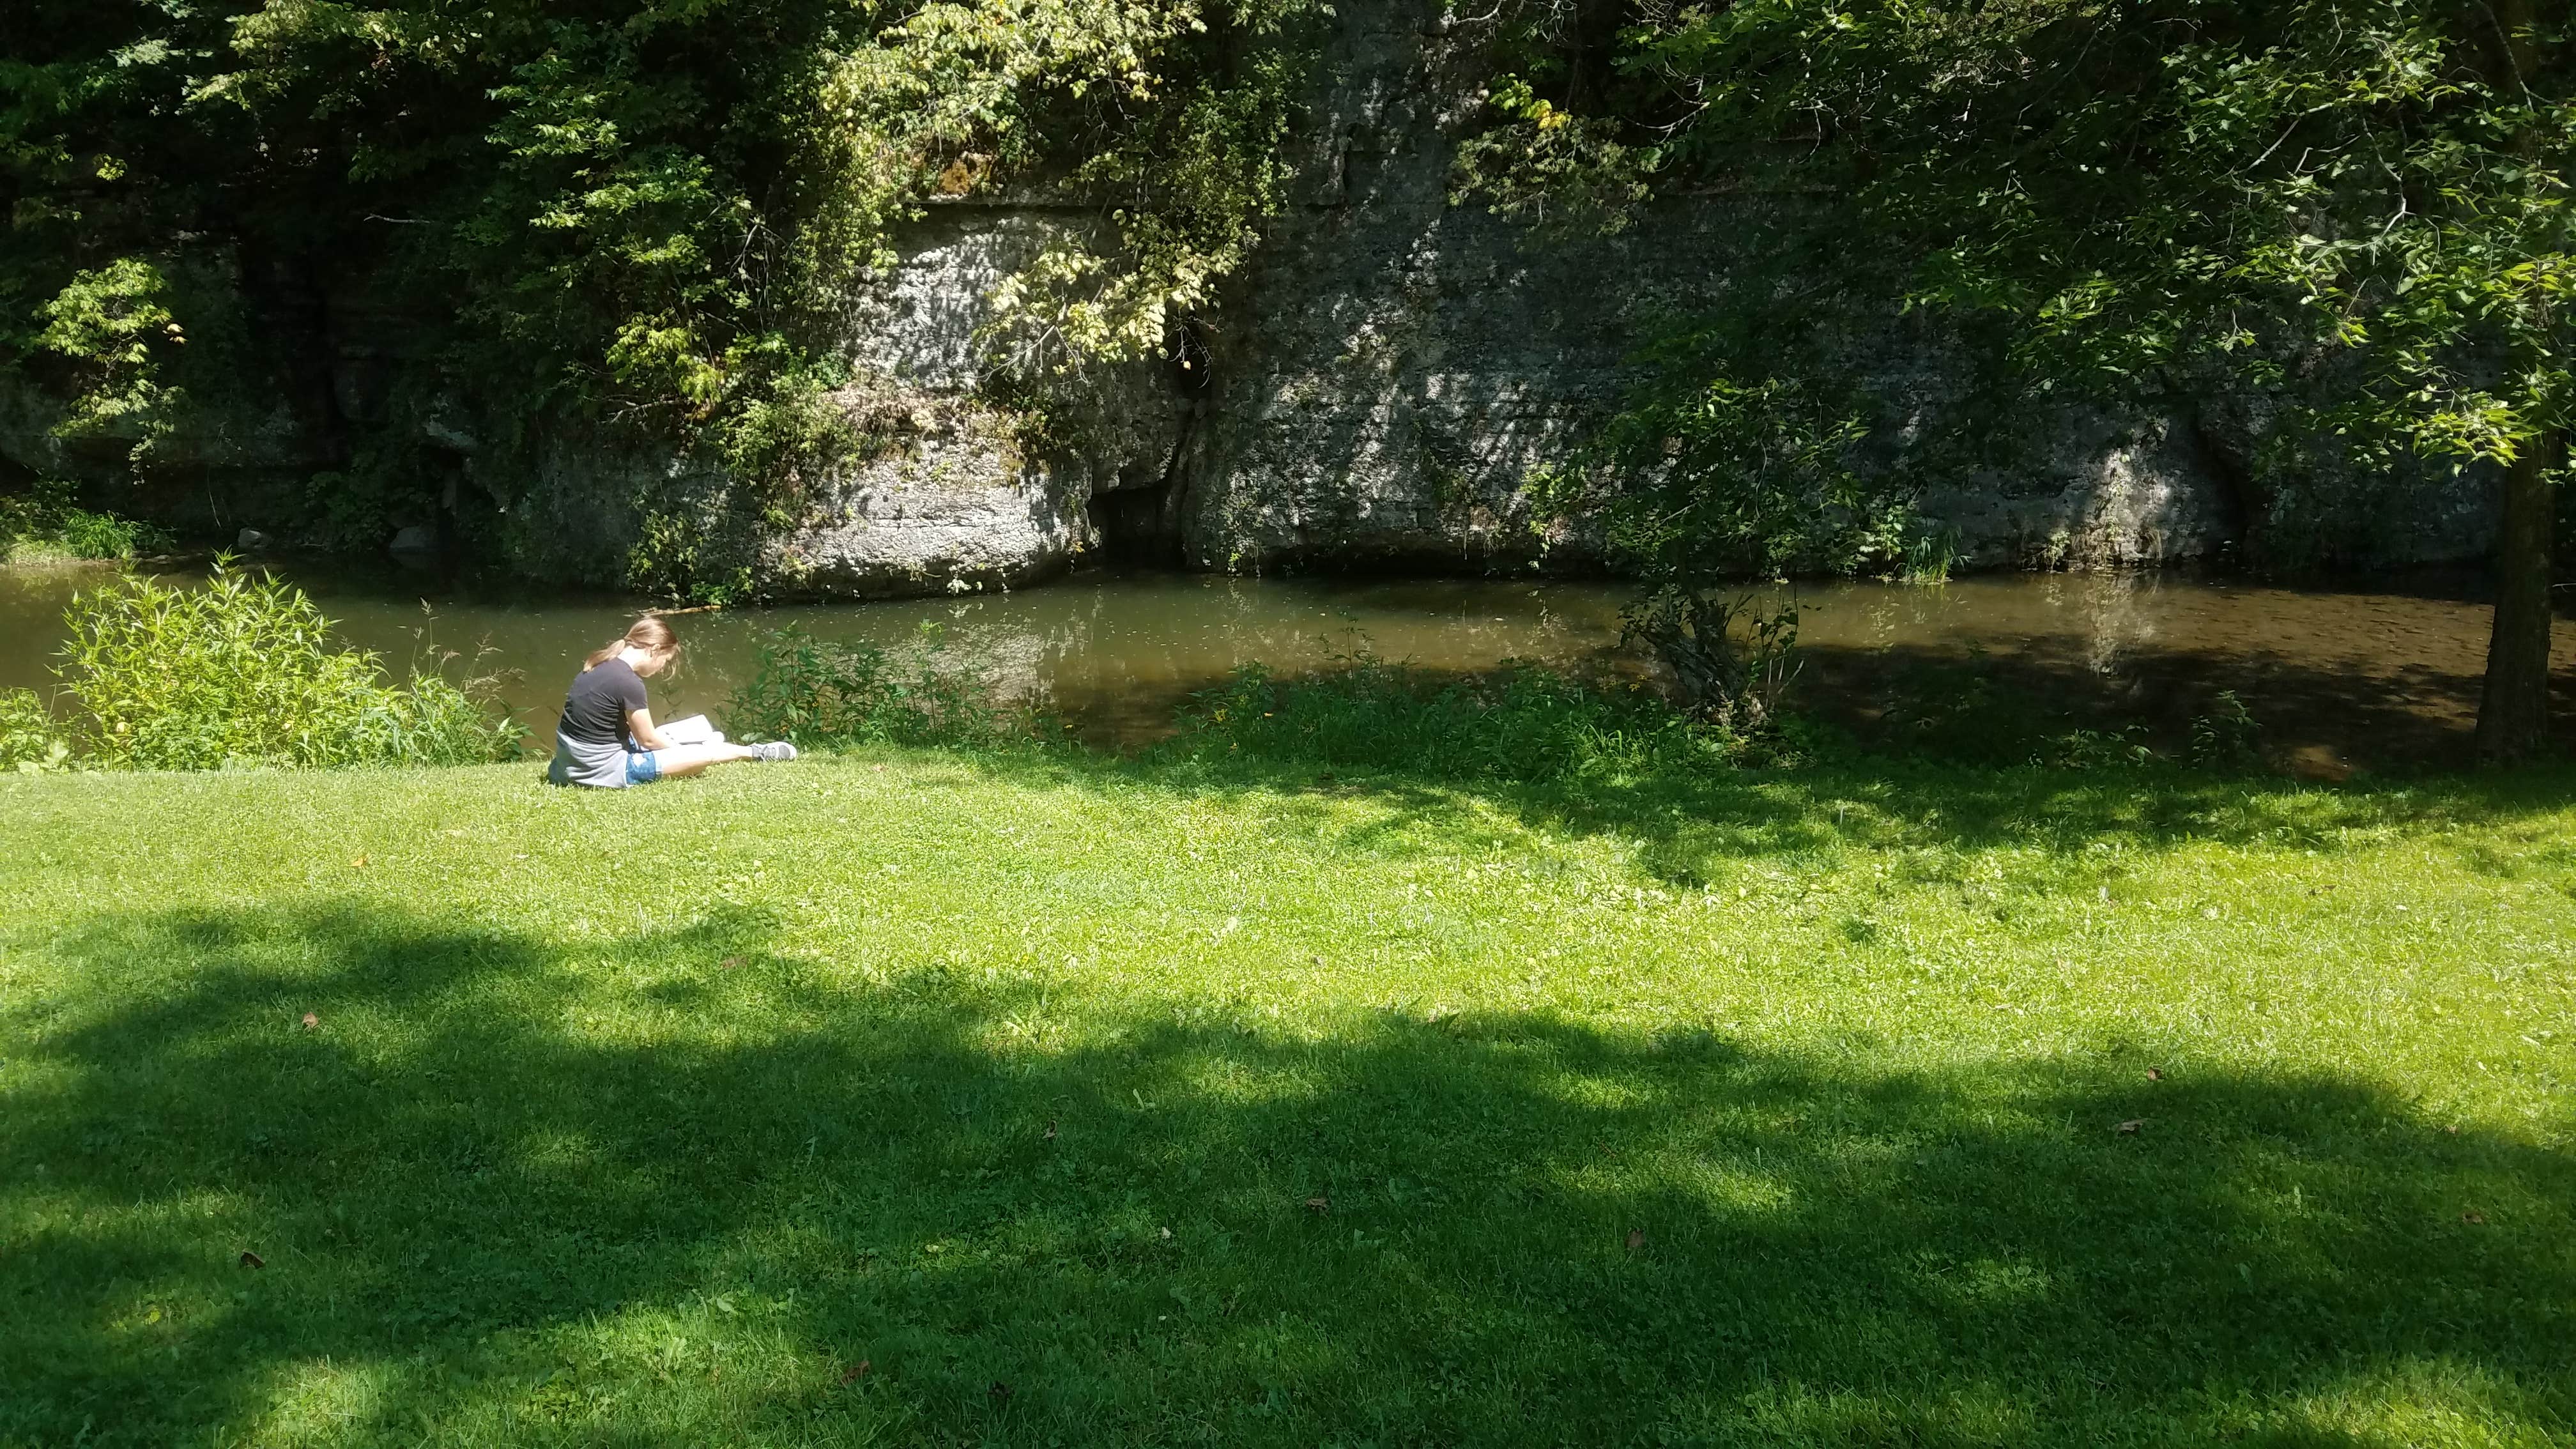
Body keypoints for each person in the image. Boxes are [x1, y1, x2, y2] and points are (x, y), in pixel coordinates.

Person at [547, 616, 793, 788]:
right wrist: (684, 753)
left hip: (570, 764)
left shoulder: (600, 664)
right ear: (654, 650)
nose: (661, 668)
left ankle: (712, 742)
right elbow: (648, 740)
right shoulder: (628, 681)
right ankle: (755, 753)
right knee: (701, 757)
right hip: (602, 771)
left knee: (694, 728)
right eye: (665, 661)